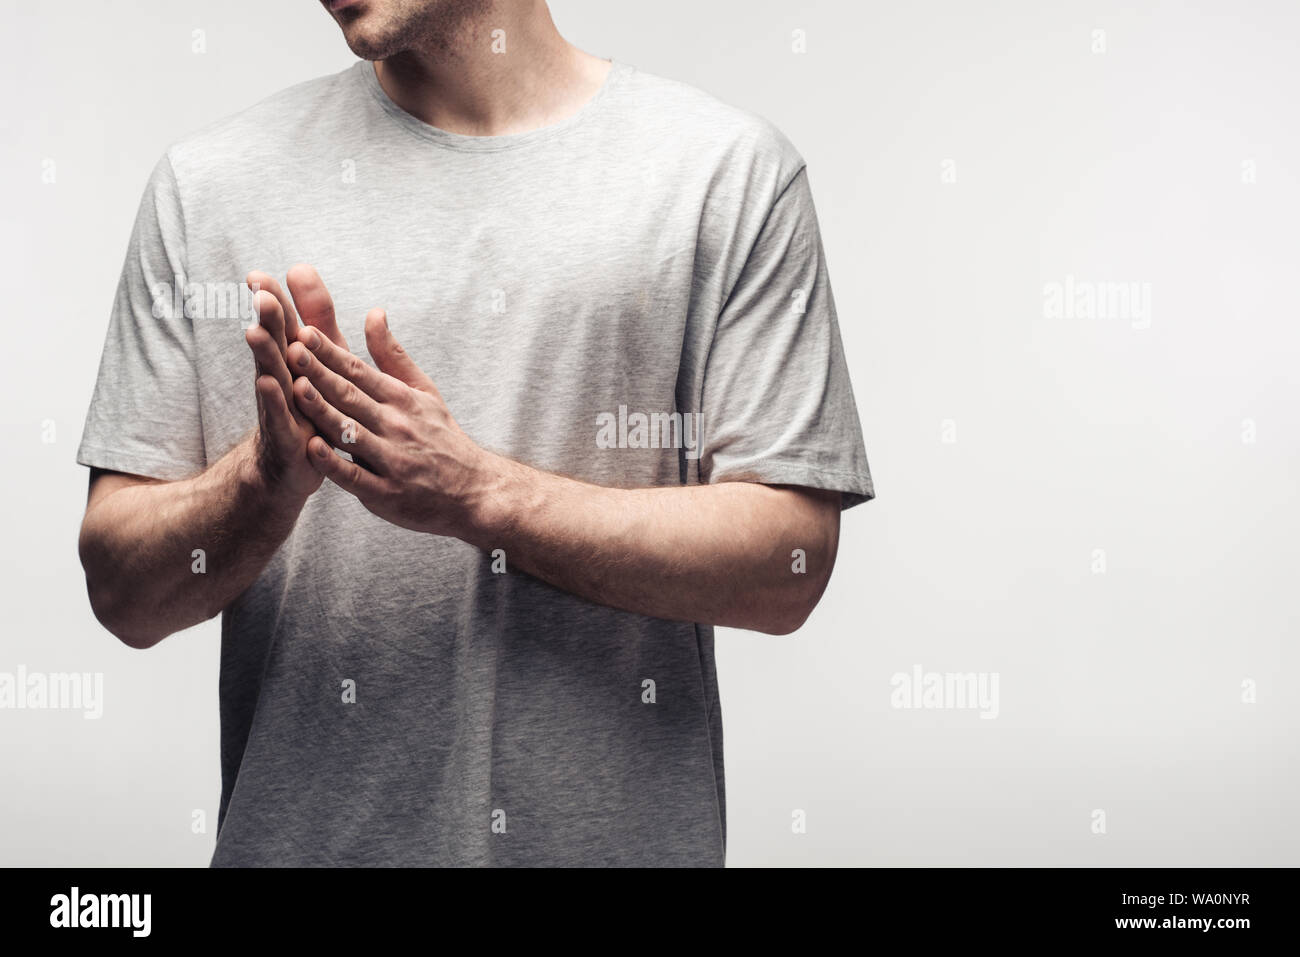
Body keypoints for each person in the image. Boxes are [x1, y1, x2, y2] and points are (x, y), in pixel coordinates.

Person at [76, 0, 874, 866]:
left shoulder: (727, 175)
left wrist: (481, 495)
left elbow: (790, 564)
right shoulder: (209, 187)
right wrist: (263, 483)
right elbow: (123, 593)